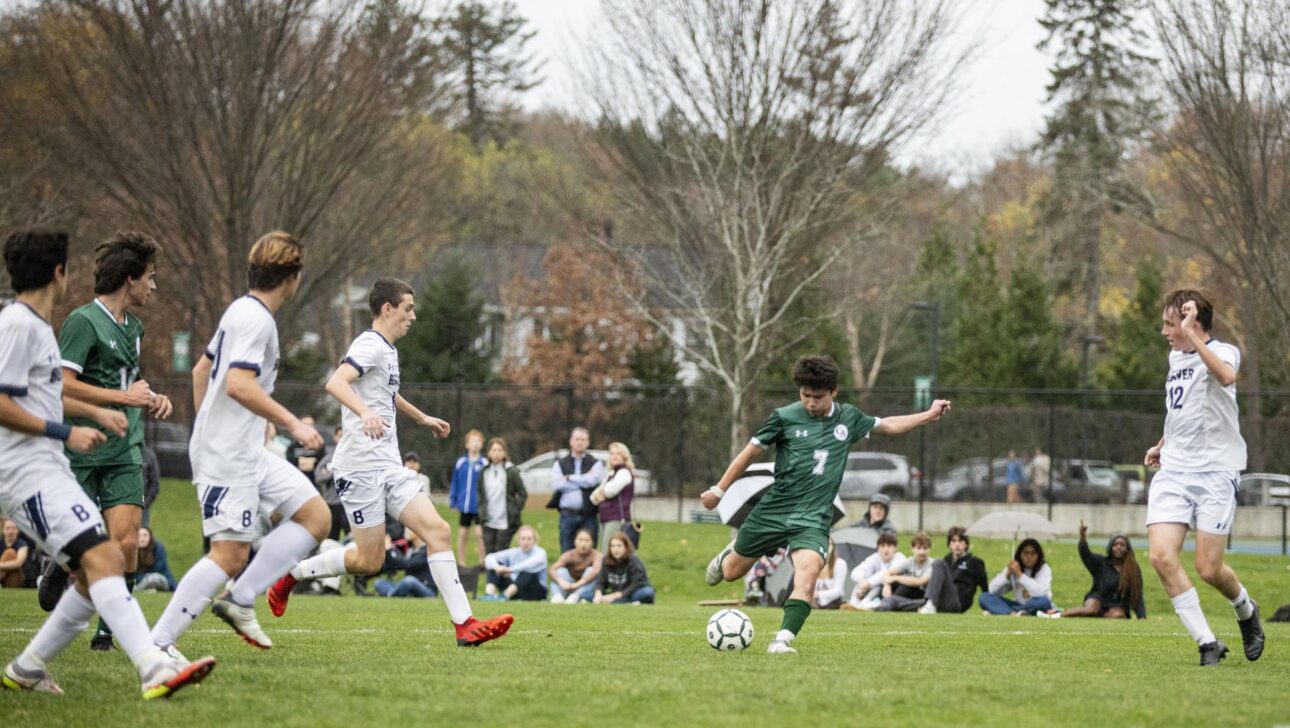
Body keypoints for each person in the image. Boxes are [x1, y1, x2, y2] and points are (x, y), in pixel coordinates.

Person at [0, 229, 213, 698]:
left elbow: (48, 391)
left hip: (49, 462)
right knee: (102, 559)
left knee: (106, 559)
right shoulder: (18, 325)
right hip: (24, 470)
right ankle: (153, 667)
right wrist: (68, 430)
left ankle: (28, 667)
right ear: (59, 273)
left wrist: (100, 411)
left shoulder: (34, 326)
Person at [267, 277, 513, 646]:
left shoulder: (387, 349)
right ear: (387, 309)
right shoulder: (369, 343)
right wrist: (364, 413)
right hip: (359, 468)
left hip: (389, 465)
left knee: (438, 531)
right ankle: (292, 576)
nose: (413, 316)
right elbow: (336, 383)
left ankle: (465, 625)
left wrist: (421, 417)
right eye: (408, 308)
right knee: (369, 562)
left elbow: (387, 394)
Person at [148, 231, 334, 657]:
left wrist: (215, 428)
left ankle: (240, 598)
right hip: (228, 454)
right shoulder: (256, 320)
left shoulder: (239, 311)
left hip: (242, 449)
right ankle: (159, 645)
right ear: (292, 277)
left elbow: (201, 372)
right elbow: (237, 384)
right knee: (229, 555)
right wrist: (291, 424)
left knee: (315, 516)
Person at [702, 354, 951, 654]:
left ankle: (782, 640)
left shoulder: (848, 418)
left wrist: (928, 414)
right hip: (774, 510)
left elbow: (889, 425)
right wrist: (719, 489)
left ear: (833, 392)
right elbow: (748, 454)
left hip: (814, 518)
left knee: (806, 577)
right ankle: (728, 554)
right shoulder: (784, 417)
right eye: (805, 396)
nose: (810, 403)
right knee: (729, 573)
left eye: (817, 397)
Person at [38, 231, 175, 651]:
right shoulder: (82, 321)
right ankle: (61, 565)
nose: (153, 286)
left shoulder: (134, 326)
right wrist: (123, 396)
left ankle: (106, 632)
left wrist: (151, 396)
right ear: (129, 278)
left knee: (128, 541)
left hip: (125, 448)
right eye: (150, 277)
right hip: (82, 447)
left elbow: (127, 382)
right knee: (84, 546)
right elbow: (63, 387)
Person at [1144, 290, 1264, 666]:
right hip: (1175, 470)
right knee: (1161, 556)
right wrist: (1163, 443)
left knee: (1208, 568)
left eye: (1170, 323)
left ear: (1191, 323)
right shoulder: (1174, 357)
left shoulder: (1224, 352)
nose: (1165, 331)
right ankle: (1207, 642)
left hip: (1215, 471)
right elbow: (1184, 408)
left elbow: (1226, 377)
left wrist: (1193, 335)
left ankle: (1246, 610)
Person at [1062, 521, 1146, 621]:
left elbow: (1137, 594)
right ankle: (1062, 614)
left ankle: (1100, 618)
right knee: (1092, 609)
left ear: (1127, 549)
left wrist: (1142, 616)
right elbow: (1085, 554)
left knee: (1118, 615)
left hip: (1118, 605)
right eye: (1115, 545)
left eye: (1122, 545)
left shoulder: (1133, 569)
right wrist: (1082, 536)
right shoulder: (1101, 562)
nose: (1118, 547)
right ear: (1110, 547)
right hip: (1097, 598)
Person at [551, 426, 604, 552]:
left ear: (588, 442)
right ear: (571, 441)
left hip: (589, 515)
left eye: (583, 439)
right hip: (567, 515)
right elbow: (558, 485)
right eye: (577, 439)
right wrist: (583, 479)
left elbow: (593, 481)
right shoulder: (560, 463)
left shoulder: (596, 463)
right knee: (566, 550)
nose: (580, 442)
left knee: (590, 552)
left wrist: (569, 478)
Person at [478, 437, 526, 556]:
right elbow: (480, 492)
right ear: (489, 452)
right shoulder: (484, 471)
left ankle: (502, 574)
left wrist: (515, 510)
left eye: (500, 450)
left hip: (505, 520)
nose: (496, 454)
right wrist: (481, 510)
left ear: (504, 452)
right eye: (494, 450)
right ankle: (491, 574)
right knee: (489, 554)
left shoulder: (511, 471)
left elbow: (522, 493)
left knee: (501, 553)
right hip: (488, 519)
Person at [980, 539, 1053, 616]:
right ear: (1020, 554)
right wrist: (1006, 575)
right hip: (1017, 604)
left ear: (1038, 555)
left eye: (1033, 553)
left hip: (1036, 604)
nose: (1029, 557)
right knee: (984, 597)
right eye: (1025, 553)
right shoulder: (1014, 566)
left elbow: (1040, 593)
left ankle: (1004, 611)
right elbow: (991, 590)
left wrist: (1020, 575)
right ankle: (1014, 613)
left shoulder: (1044, 568)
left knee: (1043, 602)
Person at [590, 441, 638, 551]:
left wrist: (603, 493)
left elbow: (610, 491)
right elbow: (593, 497)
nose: (614, 456)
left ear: (624, 456)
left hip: (617, 519)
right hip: (605, 518)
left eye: (618, 453)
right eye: (612, 453)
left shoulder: (624, 473)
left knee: (609, 553)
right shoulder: (611, 474)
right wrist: (602, 493)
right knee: (605, 550)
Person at [840, 531, 904, 610]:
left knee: (879, 583)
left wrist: (868, 584)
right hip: (868, 589)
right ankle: (854, 604)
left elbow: (886, 573)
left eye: (889, 546)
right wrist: (861, 581)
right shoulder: (875, 557)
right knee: (862, 578)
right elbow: (856, 571)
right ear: (878, 548)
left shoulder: (900, 558)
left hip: (892, 591)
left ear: (895, 548)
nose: (886, 549)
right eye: (883, 546)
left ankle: (862, 604)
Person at [482, 525, 547, 601]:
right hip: (516, 588)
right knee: (494, 566)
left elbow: (529, 564)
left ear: (534, 540)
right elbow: (489, 557)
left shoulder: (540, 552)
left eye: (529, 539)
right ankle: (489, 595)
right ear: (518, 540)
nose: (526, 542)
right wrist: (497, 567)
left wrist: (510, 570)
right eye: (523, 539)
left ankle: (505, 596)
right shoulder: (514, 552)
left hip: (534, 591)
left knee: (528, 572)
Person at [874, 532, 937, 612]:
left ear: (929, 549)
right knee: (889, 584)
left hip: (922, 595)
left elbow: (920, 581)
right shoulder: (910, 561)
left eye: (925, 548)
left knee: (903, 586)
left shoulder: (932, 564)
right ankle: (883, 602)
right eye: (918, 548)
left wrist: (896, 578)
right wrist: (887, 585)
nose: (922, 552)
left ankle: (888, 604)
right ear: (912, 549)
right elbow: (888, 573)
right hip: (907, 596)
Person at [449, 430, 486, 564]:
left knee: (479, 534)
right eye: (472, 441)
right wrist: (453, 500)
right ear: (467, 444)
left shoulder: (484, 463)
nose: (475, 444)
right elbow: (455, 482)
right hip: (464, 505)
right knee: (463, 534)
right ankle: (462, 563)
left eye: (478, 441)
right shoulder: (461, 463)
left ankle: (482, 562)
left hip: (479, 506)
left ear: (482, 444)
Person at [593, 531, 654, 604]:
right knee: (589, 593)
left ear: (626, 547)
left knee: (647, 592)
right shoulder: (606, 560)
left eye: (619, 546)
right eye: (613, 546)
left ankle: (620, 601)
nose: (616, 549)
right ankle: (623, 602)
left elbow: (637, 583)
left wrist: (616, 595)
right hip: (615, 593)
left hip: (632, 592)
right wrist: (598, 593)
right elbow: (600, 580)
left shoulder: (633, 560)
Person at [375, 531, 437, 598]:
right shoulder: (411, 550)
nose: (406, 531)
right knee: (379, 583)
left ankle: (391, 595)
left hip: (427, 590)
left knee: (409, 580)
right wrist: (389, 551)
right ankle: (397, 593)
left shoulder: (427, 550)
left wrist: (390, 549)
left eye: (409, 529)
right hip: (410, 589)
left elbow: (408, 564)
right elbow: (397, 563)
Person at [548, 528, 603, 604]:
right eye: (580, 540)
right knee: (560, 571)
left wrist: (577, 585)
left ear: (592, 543)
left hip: (584, 587)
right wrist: (562, 582)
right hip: (568, 584)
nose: (583, 544)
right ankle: (557, 596)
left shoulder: (597, 555)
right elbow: (552, 569)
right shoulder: (569, 554)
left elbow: (596, 571)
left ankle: (576, 596)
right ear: (575, 541)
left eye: (587, 541)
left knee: (591, 571)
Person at [942, 527, 989, 614]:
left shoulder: (974, 562)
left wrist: (988, 607)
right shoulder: (946, 560)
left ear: (966, 544)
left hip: (961, 599)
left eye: (960, 541)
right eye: (954, 541)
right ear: (949, 544)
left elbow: (985, 587)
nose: (957, 545)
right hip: (945, 596)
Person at [313, 426, 348, 541]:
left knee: (353, 537)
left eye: (345, 435)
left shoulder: (357, 457)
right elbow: (319, 477)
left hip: (350, 503)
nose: (342, 438)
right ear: (335, 438)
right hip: (332, 503)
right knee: (331, 538)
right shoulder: (329, 458)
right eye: (339, 435)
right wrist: (335, 468)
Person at [131, 526, 176, 592]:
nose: (142, 538)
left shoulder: (158, 547)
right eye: (139, 536)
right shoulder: (132, 551)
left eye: (145, 535)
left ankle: (142, 589)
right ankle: (144, 590)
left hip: (159, 579)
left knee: (154, 578)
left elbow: (159, 568)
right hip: (140, 581)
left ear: (150, 537)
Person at [285, 414, 326, 486]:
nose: (309, 427)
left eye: (311, 424)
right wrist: (310, 462)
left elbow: (322, 464)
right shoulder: (292, 447)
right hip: (297, 483)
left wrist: (302, 462)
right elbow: (291, 465)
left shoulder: (319, 445)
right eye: (306, 424)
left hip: (315, 483)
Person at [812, 539, 846, 609]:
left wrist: (818, 594)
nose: (825, 547)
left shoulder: (840, 563)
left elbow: (838, 590)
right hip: (813, 600)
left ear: (833, 547)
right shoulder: (813, 563)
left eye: (828, 544)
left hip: (832, 602)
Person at [1, 517, 33, 588]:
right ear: (3, 530)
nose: (11, 531)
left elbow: (18, 563)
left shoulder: (22, 544)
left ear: (18, 530)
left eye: (14, 528)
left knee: (10, 553)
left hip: (17, 578)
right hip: (3, 577)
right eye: (8, 528)